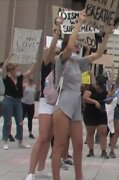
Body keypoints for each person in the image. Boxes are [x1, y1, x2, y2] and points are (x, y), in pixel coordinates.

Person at [51, 11, 112, 180]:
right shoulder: (60, 59)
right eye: (76, 43)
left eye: (78, 43)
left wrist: (107, 35)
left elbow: (98, 55)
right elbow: (70, 47)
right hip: (63, 103)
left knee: (78, 145)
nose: (78, 45)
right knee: (60, 145)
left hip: (76, 105)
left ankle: (80, 177)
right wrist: (79, 22)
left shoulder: (78, 62)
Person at [25, 17, 64, 180]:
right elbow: (52, 47)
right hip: (45, 103)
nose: (54, 53)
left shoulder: (63, 64)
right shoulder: (46, 63)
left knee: (49, 138)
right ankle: (31, 172)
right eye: (52, 51)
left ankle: (41, 169)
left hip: (59, 104)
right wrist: (58, 29)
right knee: (42, 137)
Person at [2, 52, 35, 150]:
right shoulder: (6, 78)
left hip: (18, 101)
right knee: (7, 121)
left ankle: (20, 141)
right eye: (16, 69)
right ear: (11, 71)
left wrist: (34, 62)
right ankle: (5, 140)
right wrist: (8, 57)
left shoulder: (20, 78)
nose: (17, 71)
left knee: (20, 121)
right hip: (8, 100)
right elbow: (3, 68)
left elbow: (29, 72)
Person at [83, 75, 112, 159]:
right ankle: (91, 150)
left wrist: (110, 96)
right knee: (90, 132)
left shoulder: (104, 91)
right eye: (99, 86)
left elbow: (108, 102)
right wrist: (95, 102)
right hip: (90, 113)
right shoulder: (90, 89)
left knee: (103, 132)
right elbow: (85, 98)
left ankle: (104, 151)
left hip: (101, 113)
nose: (100, 88)